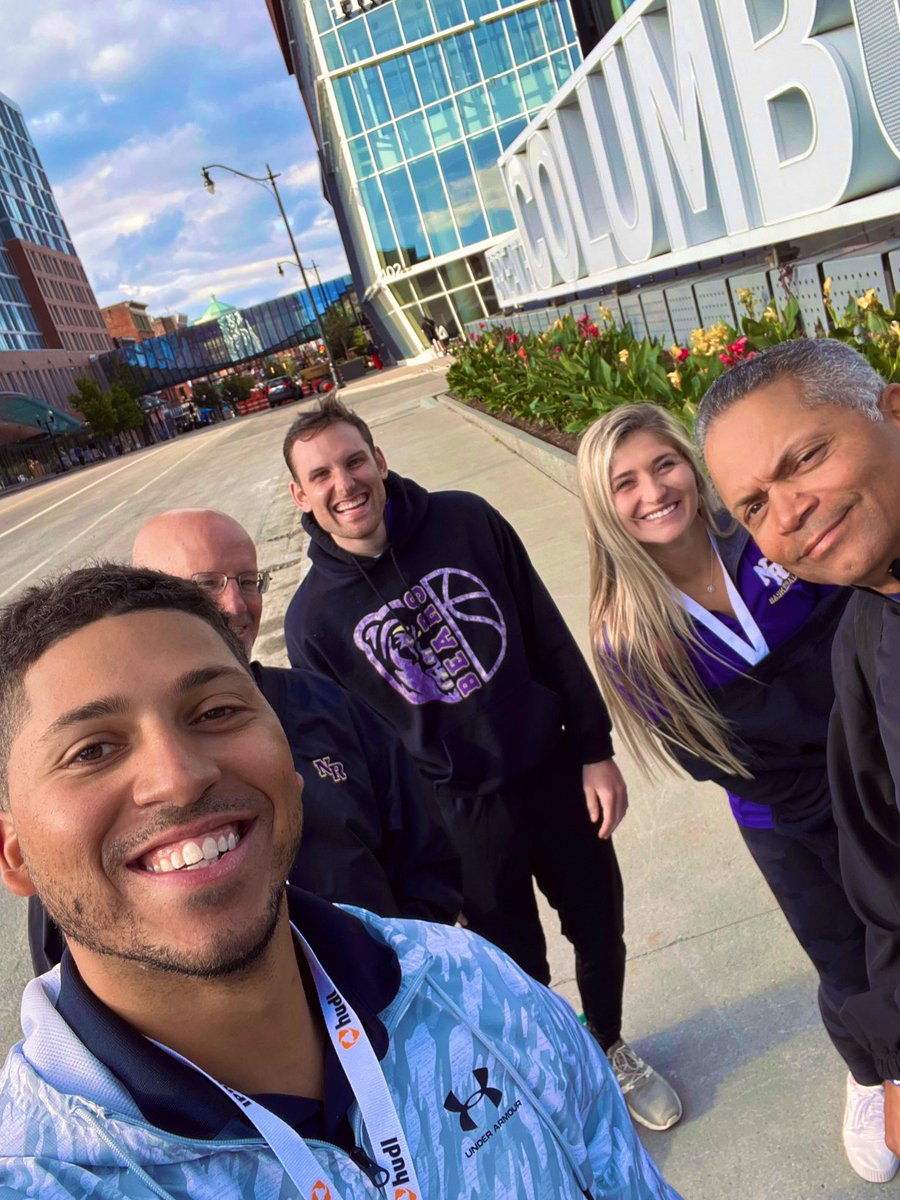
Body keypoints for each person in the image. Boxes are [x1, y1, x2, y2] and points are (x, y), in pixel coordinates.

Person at [0, 564, 682, 1200]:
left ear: (291, 757)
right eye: (92, 751)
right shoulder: (40, 1172)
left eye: (215, 712)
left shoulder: (472, 989)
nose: (179, 776)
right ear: (15, 855)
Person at [280, 396, 682, 1131]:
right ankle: (562, 1072)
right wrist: (420, 871)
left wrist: (594, 750)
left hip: (554, 774)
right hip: (457, 818)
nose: (345, 483)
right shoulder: (312, 620)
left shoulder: (465, 520)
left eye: (354, 460)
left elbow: (546, 632)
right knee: (512, 968)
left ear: (379, 460)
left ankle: (611, 1044)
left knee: (600, 930)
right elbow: (359, 764)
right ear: (300, 495)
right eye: (322, 474)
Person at [577, 402, 885, 1182]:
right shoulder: (628, 632)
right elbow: (708, 759)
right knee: (845, 958)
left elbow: (860, 627)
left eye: (664, 464)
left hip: (879, 760)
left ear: (692, 463)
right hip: (784, 812)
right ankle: (873, 1073)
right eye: (625, 483)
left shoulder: (767, 534)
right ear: (601, 506)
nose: (654, 491)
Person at [26, 510, 462, 975]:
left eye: (249, 580)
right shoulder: (74, 809)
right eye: (206, 584)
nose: (235, 604)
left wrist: (404, 969)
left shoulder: (326, 705)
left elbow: (424, 855)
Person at [695, 339, 900, 1159]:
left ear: (891, 411)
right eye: (752, 505)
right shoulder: (863, 642)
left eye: (806, 457)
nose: (788, 512)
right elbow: (885, 881)